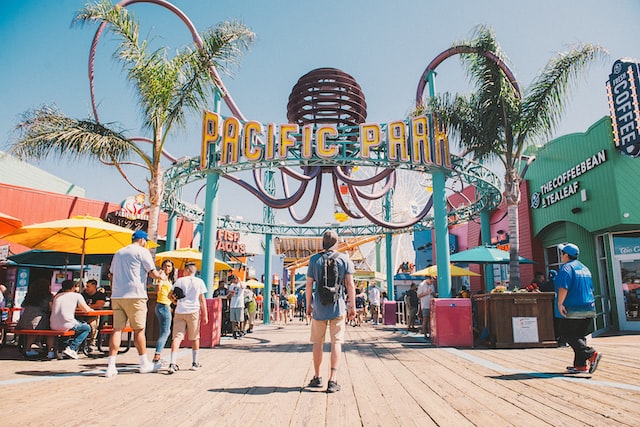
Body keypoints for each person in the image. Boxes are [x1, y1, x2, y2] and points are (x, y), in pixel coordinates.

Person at [106, 230, 165, 378]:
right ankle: (144, 363)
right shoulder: (142, 252)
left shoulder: (118, 253)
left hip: (117, 295)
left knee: (117, 330)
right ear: (143, 240)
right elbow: (152, 273)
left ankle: (111, 366)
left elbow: (111, 274)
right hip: (136, 295)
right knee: (138, 330)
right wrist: (161, 276)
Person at [305, 230, 356, 393]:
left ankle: (317, 376)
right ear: (336, 243)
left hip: (319, 307)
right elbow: (350, 285)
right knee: (336, 343)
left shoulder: (314, 260)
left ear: (323, 243)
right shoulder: (344, 259)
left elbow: (308, 285)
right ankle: (332, 380)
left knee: (317, 343)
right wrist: (352, 306)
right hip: (338, 306)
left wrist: (308, 305)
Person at [555, 243, 602, 374]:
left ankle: (591, 354)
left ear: (565, 255)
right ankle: (580, 365)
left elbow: (563, 287)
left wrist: (560, 304)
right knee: (579, 336)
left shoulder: (566, 268)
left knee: (566, 332)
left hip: (574, 307)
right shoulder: (585, 268)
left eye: (562, 253)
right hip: (589, 306)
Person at [167, 262, 208, 374]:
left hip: (180, 310)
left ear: (187, 270)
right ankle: (195, 362)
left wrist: (175, 302)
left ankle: (172, 363)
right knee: (195, 337)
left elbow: (169, 295)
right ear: (194, 271)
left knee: (177, 337)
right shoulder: (199, 282)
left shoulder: (180, 281)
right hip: (194, 311)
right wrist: (205, 315)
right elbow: (202, 299)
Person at [50, 280, 92, 359]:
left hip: (53, 325)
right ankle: (71, 348)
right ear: (73, 287)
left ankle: (62, 349)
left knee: (69, 326)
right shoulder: (77, 296)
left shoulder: (57, 296)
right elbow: (86, 310)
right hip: (67, 324)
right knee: (86, 328)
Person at [16, 279, 55, 358]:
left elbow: (23, 305)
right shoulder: (48, 296)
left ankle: (28, 348)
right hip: (37, 321)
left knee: (33, 330)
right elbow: (51, 309)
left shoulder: (29, 296)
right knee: (51, 330)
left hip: (23, 322)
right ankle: (50, 351)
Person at [152, 259, 176, 370]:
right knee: (166, 331)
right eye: (166, 266)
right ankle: (157, 356)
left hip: (165, 305)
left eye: (170, 266)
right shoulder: (161, 276)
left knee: (164, 331)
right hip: (162, 305)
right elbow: (158, 288)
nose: (167, 268)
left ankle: (158, 355)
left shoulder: (168, 279)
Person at [80, 279, 107, 352]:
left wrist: (86, 307)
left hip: (94, 315)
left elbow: (99, 305)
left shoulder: (100, 295)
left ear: (94, 286)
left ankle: (92, 342)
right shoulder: (83, 294)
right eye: (86, 286)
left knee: (92, 325)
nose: (86, 288)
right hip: (82, 314)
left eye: (88, 286)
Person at [228, 274, 245, 339]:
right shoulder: (232, 285)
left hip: (239, 304)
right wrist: (231, 295)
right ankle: (234, 332)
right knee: (233, 320)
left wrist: (240, 280)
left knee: (240, 319)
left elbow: (243, 287)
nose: (233, 281)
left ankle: (241, 331)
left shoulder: (242, 283)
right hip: (233, 304)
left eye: (234, 279)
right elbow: (229, 295)